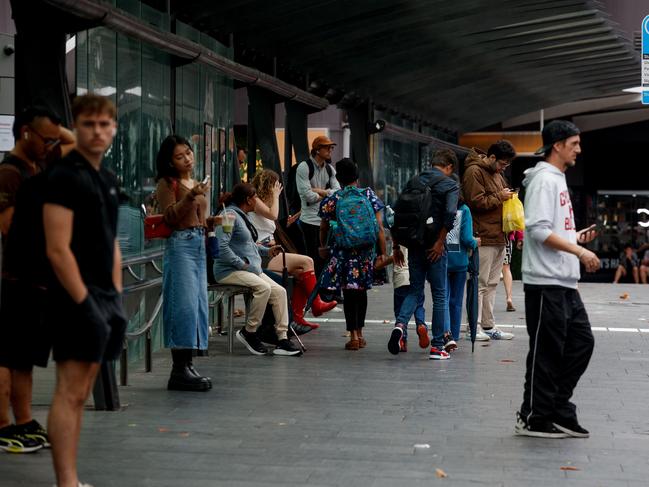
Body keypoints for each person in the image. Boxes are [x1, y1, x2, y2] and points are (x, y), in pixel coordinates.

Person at [43, 94, 127, 486]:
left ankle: (72, 480)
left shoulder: (106, 179)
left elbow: (111, 241)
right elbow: (57, 249)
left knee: (80, 392)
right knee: (70, 390)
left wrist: (116, 295)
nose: (97, 131)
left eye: (104, 124)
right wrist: (85, 303)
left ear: (113, 128)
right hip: (75, 298)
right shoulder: (64, 177)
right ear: (76, 127)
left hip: (104, 297)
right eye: (88, 124)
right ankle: (66, 480)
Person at [515, 119, 600, 439]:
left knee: (581, 343)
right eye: (574, 143)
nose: (579, 149)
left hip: (563, 281)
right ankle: (534, 416)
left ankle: (558, 406)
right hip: (545, 281)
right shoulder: (544, 180)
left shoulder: (558, 179)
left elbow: (550, 229)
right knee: (547, 351)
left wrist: (575, 238)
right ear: (558, 145)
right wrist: (579, 252)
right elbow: (536, 230)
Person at [0, 106, 74, 453]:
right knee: (8, 355)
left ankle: (24, 419)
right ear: (25, 132)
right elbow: (10, 229)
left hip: (38, 280)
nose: (51, 146)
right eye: (45, 139)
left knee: (25, 358)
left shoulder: (39, 165)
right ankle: (3, 425)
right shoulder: (10, 175)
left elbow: (73, 143)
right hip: (17, 279)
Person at [214, 183, 302, 356]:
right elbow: (221, 246)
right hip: (230, 270)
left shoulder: (241, 216)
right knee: (264, 288)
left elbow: (248, 245)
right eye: (255, 197)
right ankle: (250, 332)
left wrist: (266, 251)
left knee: (280, 291)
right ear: (248, 200)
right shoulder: (228, 215)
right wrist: (241, 264)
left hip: (248, 269)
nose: (258, 201)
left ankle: (282, 338)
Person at [155, 135, 213, 392]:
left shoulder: (194, 182)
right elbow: (169, 216)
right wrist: (191, 197)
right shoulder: (168, 183)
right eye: (180, 156)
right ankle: (178, 369)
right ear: (170, 161)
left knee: (198, 304)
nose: (187, 159)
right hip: (180, 244)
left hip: (198, 242)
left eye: (188, 153)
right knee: (184, 304)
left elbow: (200, 216)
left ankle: (187, 364)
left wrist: (213, 223)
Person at [390, 149, 459, 360]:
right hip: (434, 247)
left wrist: (395, 246)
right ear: (449, 167)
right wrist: (439, 242)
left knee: (414, 290)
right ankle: (438, 346)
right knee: (439, 295)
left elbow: (398, 212)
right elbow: (450, 214)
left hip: (414, 245)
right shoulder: (449, 184)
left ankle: (400, 325)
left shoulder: (414, 180)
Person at [249, 169, 336, 328]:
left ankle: (297, 316)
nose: (279, 190)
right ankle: (315, 303)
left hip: (271, 251)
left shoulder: (264, 203)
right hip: (262, 256)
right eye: (276, 186)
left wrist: (286, 223)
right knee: (308, 261)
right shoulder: (254, 200)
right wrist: (275, 196)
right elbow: (272, 215)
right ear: (270, 185)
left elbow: (269, 225)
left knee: (301, 272)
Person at [318, 158, 387, 350]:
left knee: (348, 293)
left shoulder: (334, 199)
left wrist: (323, 245)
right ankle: (361, 333)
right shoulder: (368, 194)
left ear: (338, 178)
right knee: (361, 291)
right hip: (365, 253)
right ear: (357, 176)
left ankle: (353, 336)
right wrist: (382, 253)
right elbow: (380, 228)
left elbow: (323, 227)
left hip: (344, 253)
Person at [463, 141, 516, 341]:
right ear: (491, 157)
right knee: (479, 283)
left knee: (493, 283)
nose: (504, 168)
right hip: (482, 236)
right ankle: (473, 327)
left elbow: (497, 197)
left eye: (507, 166)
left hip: (499, 236)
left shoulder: (496, 173)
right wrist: (500, 197)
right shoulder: (474, 171)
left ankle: (488, 325)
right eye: (502, 164)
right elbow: (474, 202)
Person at [296, 136, 341, 275]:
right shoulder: (304, 167)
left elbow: (338, 193)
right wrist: (327, 193)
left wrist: (319, 191)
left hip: (325, 222)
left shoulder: (330, 169)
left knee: (325, 261)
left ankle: (323, 294)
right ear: (317, 150)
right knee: (312, 260)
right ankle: (313, 294)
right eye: (327, 147)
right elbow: (307, 196)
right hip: (309, 221)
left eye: (331, 147)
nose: (330, 150)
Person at [445, 175, 480, 344]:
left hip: (441, 258)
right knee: (456, 301)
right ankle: (455, 335)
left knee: (442, 298)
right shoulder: (464, 209)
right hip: (459, 261)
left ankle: (444, 334)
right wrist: (475, 242)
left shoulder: (440, 206)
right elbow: (466, 238)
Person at [390, 245, 426, 352]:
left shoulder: (398, 237)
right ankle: (421, 325)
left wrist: (379, 264)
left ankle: (402, 339)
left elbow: (393, 257)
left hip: (400, 279)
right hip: (415, 276)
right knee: (418, 305)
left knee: (399, 309)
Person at [503, 230, 524, 311]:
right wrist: (520, 237)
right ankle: (509, 298)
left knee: (490, 269)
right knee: (506, 267)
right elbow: (517, 218)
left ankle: (484, 300)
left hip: (488, 238)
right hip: (506, 237)